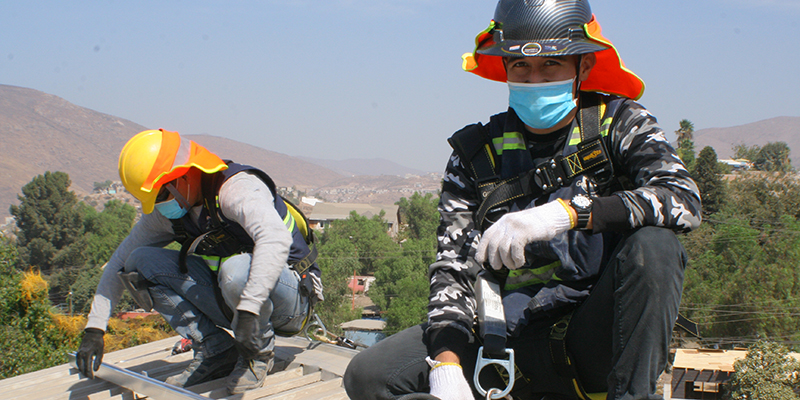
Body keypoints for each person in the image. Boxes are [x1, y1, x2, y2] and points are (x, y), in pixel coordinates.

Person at [344, 0, 701, 399]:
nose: (534, 78)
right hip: (504, 332)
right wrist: (446, 366)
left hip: (593, 335)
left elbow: (682, 198)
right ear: (505, 68)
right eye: (521, 66)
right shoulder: (476, 154)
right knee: (370, 375)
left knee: (656, 246)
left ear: (582, 65)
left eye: (551, 65)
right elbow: (453, 268)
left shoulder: (621, 124)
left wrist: (569, 214)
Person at [75, 129, 323, 394]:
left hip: (290, 301)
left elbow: (275, 239)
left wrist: (250, 308)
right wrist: (95, 327)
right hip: (237, 305)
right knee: (139, 261)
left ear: (183, 177)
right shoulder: (170, 214)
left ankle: (257, 355)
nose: (159, 207)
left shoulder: (236, 189)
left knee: (235, 270)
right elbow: (118, 262)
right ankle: (215, 350)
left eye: (160, 197)